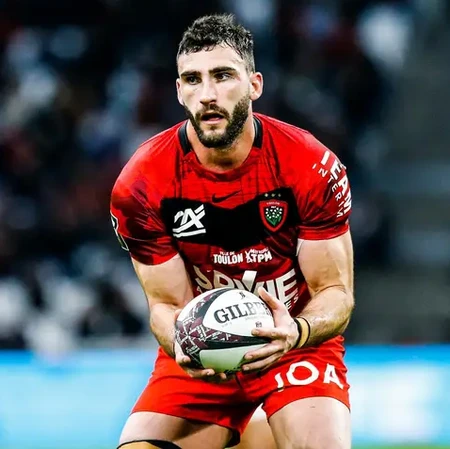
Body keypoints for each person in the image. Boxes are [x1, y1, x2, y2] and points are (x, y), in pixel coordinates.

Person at [110, 13, 354, 449]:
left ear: (254, 85)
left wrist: (296, 331)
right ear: (179, 91)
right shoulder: (141, 184)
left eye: (223, 76)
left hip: (295, 341)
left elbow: (336, 292)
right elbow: (166, 304)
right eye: (193, 79)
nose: (207, 94)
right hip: (204, 347)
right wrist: (182, 345)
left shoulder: (308, 164)